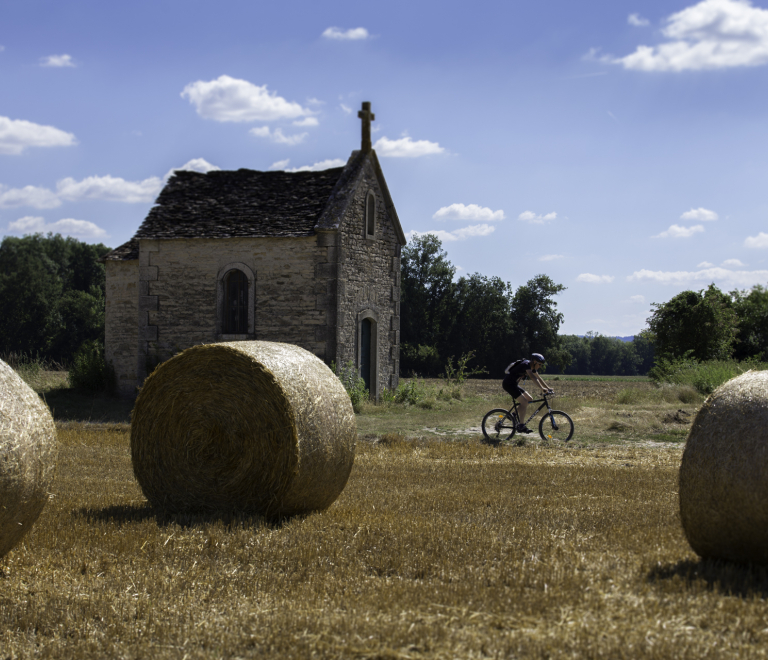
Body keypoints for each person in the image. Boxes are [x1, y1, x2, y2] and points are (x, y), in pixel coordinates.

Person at [502, 353, 554, 433]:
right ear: (535, 361)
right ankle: (521, 425)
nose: (540, 366)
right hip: (508, 384)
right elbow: (533, 377)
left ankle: (513, 415)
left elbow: (538, 378)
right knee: (524, 402)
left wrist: (548, 388)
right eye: (540, 364)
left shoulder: (532, 366)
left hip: (514, 384)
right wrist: (542, 388)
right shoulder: (526, 365)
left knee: (529, 399)